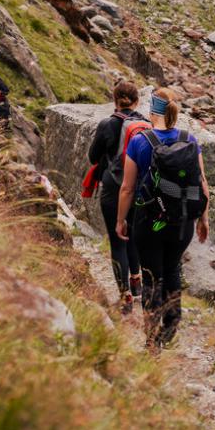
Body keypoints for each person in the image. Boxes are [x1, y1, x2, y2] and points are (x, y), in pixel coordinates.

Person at [116, 87, 209, 350]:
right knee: (172, 269)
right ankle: (171, 325)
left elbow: (127, 187)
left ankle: (152, 338)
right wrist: (203, 218)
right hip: (182, 222)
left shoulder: (139, 141)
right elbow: (202, 184)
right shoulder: (189, 139)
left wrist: (121, 219)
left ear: (151, 111)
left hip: (148, 221)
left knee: (151, 276)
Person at [88, 80, 144, 315]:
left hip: (114, 189)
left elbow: (93, 157)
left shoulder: (107, 125)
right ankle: (137, 282)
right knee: (132, 236)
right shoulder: (146, 124)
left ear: (114, 100)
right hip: (140, 189)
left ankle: (125, 298)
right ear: (137, 101)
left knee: (117, 239)